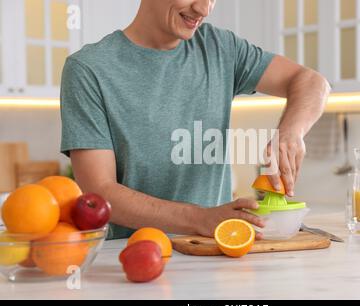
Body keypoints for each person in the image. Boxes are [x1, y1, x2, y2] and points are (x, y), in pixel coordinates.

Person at [60, 0, 330, 239]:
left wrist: (291, 131)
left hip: (217, 253)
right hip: (131, 260)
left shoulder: (221, 48)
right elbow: (100, 190)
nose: (204, 8)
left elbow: (312, 82)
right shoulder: (89, 69)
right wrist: (201, 219)